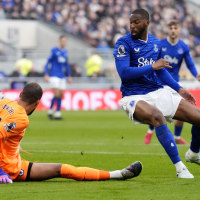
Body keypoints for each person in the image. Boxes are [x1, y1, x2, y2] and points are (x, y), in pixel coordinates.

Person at [113, 8, 200, 179]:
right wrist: (152, 66)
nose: (132, 26)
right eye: (130, 23)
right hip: (134, 96)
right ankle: (180, 168)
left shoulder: (155, 43)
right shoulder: (123, 44)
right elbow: (124, 72)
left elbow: (161, 71)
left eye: (136, 22)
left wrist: (179, 89)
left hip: (159, 91)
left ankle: (194, 153)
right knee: (157, 116)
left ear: (147, 22)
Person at [0, 82, 142, 184]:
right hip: (8, 169)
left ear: (20, 94)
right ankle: (115, 175)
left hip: (15, 163)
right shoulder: (21, 118)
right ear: (37, 103)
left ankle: (117, 174)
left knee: (60, 169)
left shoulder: (5, 102)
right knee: (63, 170)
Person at [144, 20, 200, 145]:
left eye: (175, 28)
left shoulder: (183, 47)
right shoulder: (160, 45)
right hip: (159, 83)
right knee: (158, 110)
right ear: (167, 30)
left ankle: (177, 136)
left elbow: (189, 63)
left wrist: (196, 74)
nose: (173, 30)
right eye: (171, 28)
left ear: (179, 30)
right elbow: (153, 62)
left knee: (185, 108)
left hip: (175, 84)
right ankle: (149, 132)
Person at [44, 35, 72, 120]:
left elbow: (66, 65)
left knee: (60, 95)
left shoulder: (65, 52)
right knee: (56, 94)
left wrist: (69, 76)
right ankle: (51, 111)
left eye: (65, 41)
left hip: (62, 76)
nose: (64, 42)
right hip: (54, 75)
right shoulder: (54, 51)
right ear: (60, 41)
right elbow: (48, 62)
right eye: (63, 41)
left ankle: (57, 114)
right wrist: (46, 73)